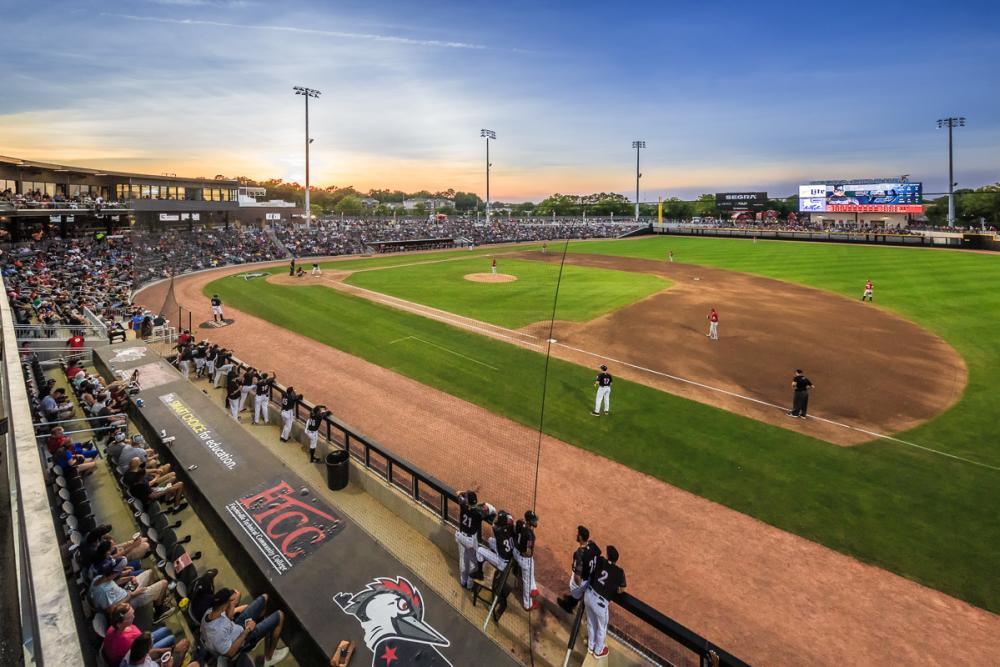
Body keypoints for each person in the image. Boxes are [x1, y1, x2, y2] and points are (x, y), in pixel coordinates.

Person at [200, 588, 288, 666]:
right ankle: (269, 658)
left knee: (265, 597)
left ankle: (260, 631)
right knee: (280, 615)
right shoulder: (216, 634)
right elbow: (231, 653)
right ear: (223, 607)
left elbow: (229, 617)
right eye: (228, 603)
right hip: (242, 640)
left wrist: (233, 604)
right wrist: (247, 630)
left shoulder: (210, 612)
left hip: (236, 626)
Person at [102, 602, 189, 667]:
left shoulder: (113, 628)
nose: (134, 616)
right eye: (130, 616)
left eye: (132, 613)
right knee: (172, 638)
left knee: (165, 630)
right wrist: (172, 651)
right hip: (144, 652)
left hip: (142, 646)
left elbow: (144, 653)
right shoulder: (127, 643)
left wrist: (170, 650)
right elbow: (146, 655)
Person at [584, 545, 626, 658]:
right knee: (602, 627)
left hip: (588, 595)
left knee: (591, 623)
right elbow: (621, 589)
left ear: (607, 556)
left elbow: (595, 552)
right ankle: (598, 651)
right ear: (616, 559)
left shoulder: (600, 561)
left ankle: (590, 647)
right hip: (600, 604)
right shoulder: (619, 572)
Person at [557, 525, 601, 614]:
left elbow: (577, 577)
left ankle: (569, 605)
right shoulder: (592, 545)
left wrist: (579, 586)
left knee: (575, 588)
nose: (576, 535)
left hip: (582, 580)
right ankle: (574, 598)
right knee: (578, 591)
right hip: (590, 577)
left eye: (578, 534)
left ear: (580, 537)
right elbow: (599, 552)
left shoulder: (579, 553)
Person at [475, 509, 515, 587]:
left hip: (502, 563)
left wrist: (498, 515)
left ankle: (479, 573)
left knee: (479, 550)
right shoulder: (511, 527)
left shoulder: (498, 531)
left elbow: (494, 523)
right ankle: (492, 556)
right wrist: (504, 515)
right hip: (509, 557)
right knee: (490, 540)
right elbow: (510, 519)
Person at [454, 490, 484, 591]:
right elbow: (487, 510)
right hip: (471, 541)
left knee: (463, 559)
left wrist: (464, 492)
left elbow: (458, 493)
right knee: (473, 562)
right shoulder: (479, 513)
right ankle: (470, 585)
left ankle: (463, 581)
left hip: (461, 537)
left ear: (467, 501)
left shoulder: (463, 505)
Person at [121, 629, 197, 667]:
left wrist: (174, 648)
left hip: (158, 663)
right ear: (146, 650)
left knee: (172, 638)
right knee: (194, 664)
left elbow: (152, 652)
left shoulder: (133, 651)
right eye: (151, 643)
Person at [514, 510, 540, 611]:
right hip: (523, 558)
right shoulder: (530, 536)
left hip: (516, 552)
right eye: (533, 520)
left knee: (531, 564)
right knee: (526, 581)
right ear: (529, 522)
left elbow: (516, 529)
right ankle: (527, 604)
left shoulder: (520, 523)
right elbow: (528, 552)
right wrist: (527, 555)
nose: (535, 522)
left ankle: (533, 588)